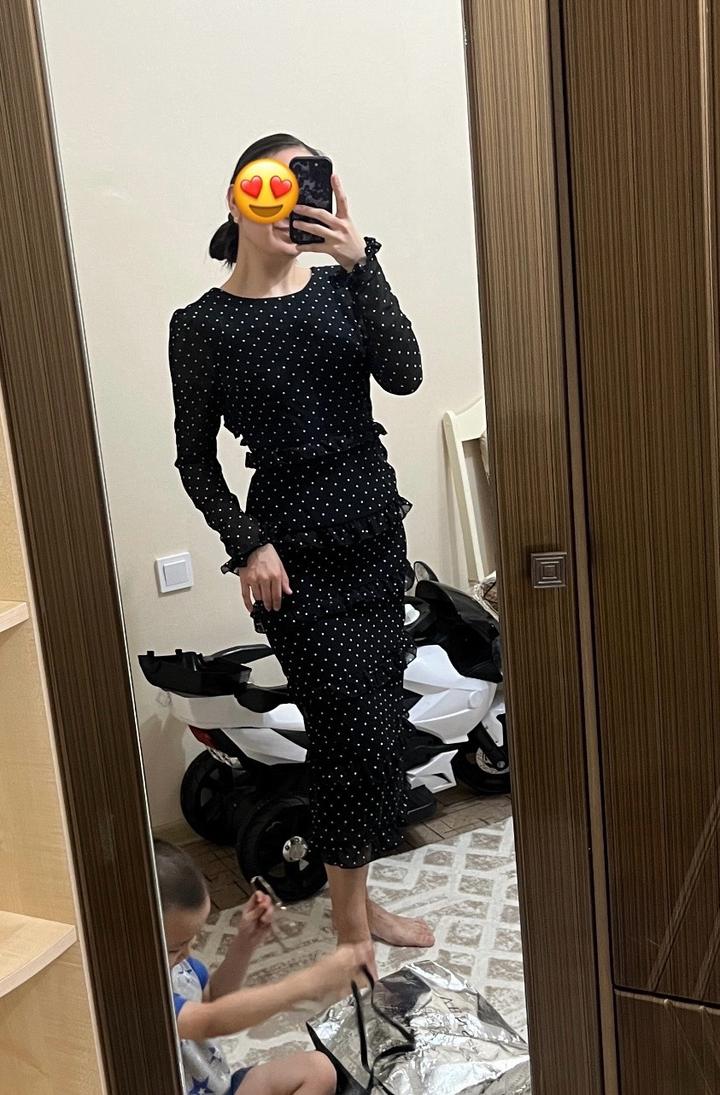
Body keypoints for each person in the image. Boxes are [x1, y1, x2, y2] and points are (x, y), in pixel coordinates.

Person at [169, 132, 433, 952]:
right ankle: (353, 929)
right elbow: (195, 458)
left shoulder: (343, 286)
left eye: (304, 183)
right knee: (350, 734)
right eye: (270, 184)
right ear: (237, 196)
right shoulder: (202, 325)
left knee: (377, 728)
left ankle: (360, 901)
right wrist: (248, 543)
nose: (288, 200)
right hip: (292, 558)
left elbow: (405, 374)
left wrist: (362, 262)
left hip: (373, 535)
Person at [155, 838, 370, 1094]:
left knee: (319, 1069)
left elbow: (214, 998)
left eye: (192, 940)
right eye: (175, 947)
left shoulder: (179, 967)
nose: (188, 953)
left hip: (220, 1086)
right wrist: (308, 983)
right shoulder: (140, 997)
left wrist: (244, 943)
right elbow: (211, 1020)